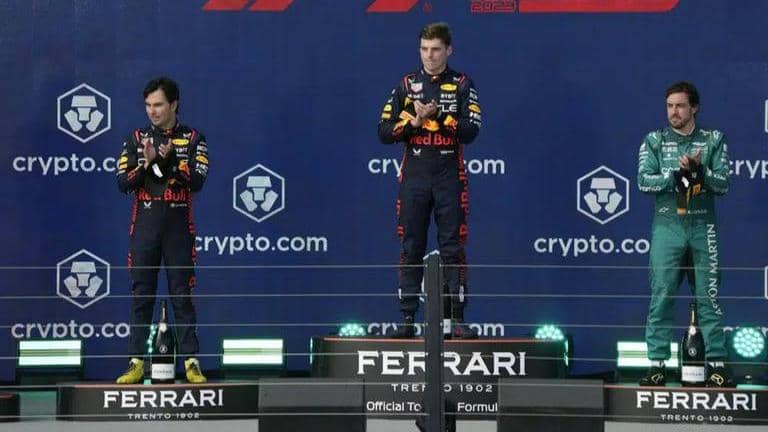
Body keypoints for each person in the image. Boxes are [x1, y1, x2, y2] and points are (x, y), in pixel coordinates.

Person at [377, 23, 481, 339]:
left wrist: (439, 118)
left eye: (435, 49)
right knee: (411, 245)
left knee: (452, 247)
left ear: (448, 50)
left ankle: (456, 319)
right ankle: (407, 318)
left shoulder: (462, 83)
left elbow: (471, 130)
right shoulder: (406, 84)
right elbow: (384, 132)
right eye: (424, 49)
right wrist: (415, 121)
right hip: (415, 174)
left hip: (450, 174)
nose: (429, 56)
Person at [637, 81, 732, 387]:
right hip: (668, 227)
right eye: (669, 106)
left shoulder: (713, 139)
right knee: (661, 295)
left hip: (703, 227)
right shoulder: (654, 140)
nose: (673, 112)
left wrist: (699, 172)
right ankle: (656, 366)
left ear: (694, 108)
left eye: (679, 106)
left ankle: (717, 365)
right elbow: (643, 181)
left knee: (708, 297)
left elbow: (724, 184)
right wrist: (677, 174)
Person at [115, 77, 209, 384]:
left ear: (174, 104)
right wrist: (147, 164)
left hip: (179, 225)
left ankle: (191, 362)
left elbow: (197, 181)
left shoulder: (193, 138)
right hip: (145, 224)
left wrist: (171, 163)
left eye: (158, 105)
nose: (152, 111)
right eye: (148, 105)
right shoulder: (136, 138)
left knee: (182, 294)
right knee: (142, 294)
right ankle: (135, 362)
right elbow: (123, 183)